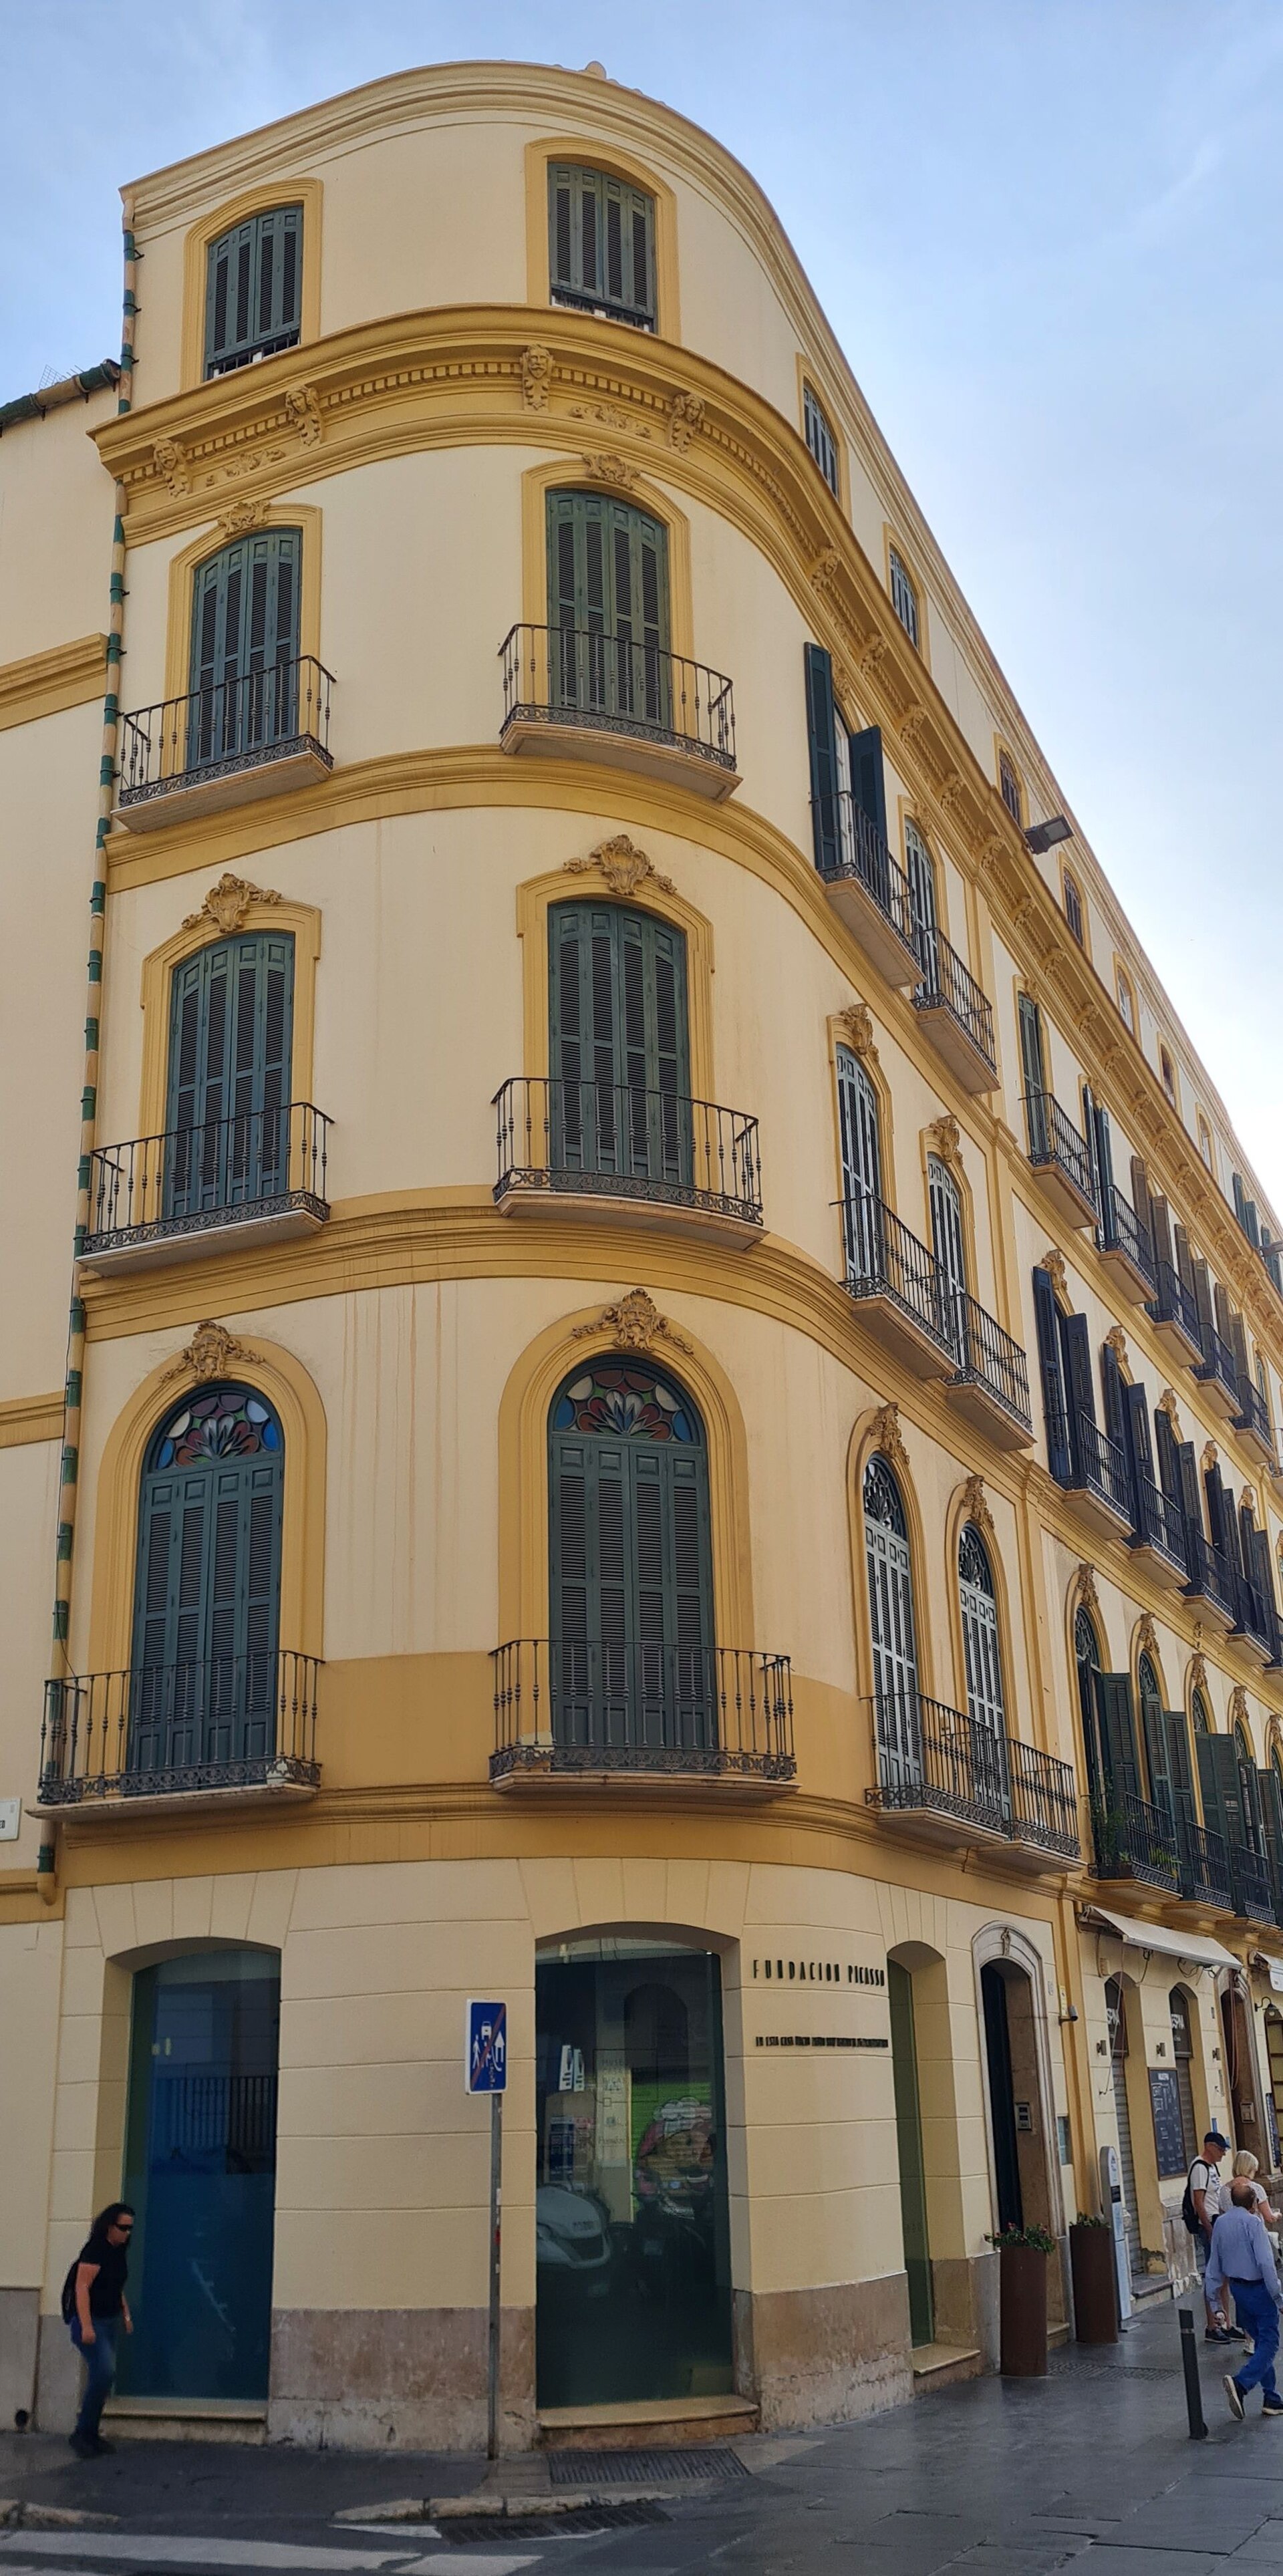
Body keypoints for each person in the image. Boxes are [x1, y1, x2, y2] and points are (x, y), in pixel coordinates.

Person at [1208, 2179, 1283, 2422]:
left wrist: (1215, 2304)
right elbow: (1265, 2263)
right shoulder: (1254, 2223)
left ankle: (1271, 2397)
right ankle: (1241, 2384)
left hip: (1238, 2289)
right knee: (1269, 2342)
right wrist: (1278, 2298)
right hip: (1259, 2288)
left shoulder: (1221, 2223)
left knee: (1261, 2341)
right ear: (1253, 2203)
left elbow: (1214, 2264)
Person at [65, 2202, 134, 2457]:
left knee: (103, 2378)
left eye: (130, 2228)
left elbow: (117, 2287)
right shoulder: (95, 2251)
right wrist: (86, 2325)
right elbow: (82, 2287)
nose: (127, 2233)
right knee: (104, 2373)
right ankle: (82, 2433)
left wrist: (126, 2314)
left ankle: (90, 2433)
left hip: (109, 2320)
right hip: (92, 2321)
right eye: (123, 2228)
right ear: (109, 2226)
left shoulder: (119, 2252)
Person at [1186, 2131, 1240, 2343]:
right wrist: (1209, 2229)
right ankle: (1212, 2326)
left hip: (1218, 2222)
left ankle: (1226, 2323)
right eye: (1220, 2149)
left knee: (1224, 2276)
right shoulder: (1200, 2167)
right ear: (1209, 2146)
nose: (1223, 2153)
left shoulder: (1211, 2168)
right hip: (1209, 2224)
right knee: (1213, 2276)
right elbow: (1198, 2202)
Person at [1234, 2150, 1280, 2229]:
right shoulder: (1256, 2188)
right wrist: (1278, 2215)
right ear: (1250, 2169)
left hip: (1232, 2232)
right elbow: (1269, 2218)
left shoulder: (1224, 2189)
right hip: (1253, 2230)